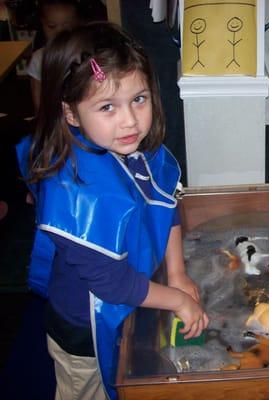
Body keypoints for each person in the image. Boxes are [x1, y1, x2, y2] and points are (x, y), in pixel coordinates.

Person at [17, 22, 209, 400]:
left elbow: (166, 203)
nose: (129, 120)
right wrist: (179, 299)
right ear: (71, 115)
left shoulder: (136, 148)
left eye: (139, 99)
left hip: (128, 300)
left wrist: (178, 271)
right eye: (107, 106)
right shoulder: (74, 190)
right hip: (83, 330)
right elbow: (113, 284)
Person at [27, 0, 80, 113]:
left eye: (67, 27)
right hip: (54, 119)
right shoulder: (38, 59)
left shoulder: (84, 54)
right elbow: (38, 101)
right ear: (42, 24)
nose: (59, 33)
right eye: (52, 26)